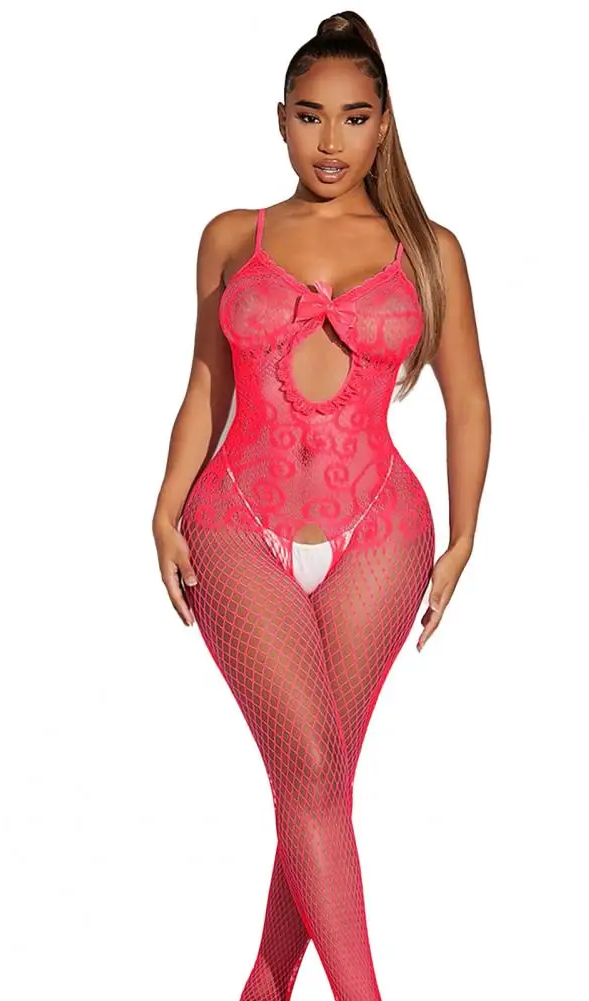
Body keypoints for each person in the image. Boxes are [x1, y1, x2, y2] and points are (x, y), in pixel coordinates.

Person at [152, 11, 490, 999]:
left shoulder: (429, 249)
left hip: (380, 530)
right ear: (279, 120)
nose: (330, 141)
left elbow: (468, 397)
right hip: (233, 521)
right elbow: (205, 384)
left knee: (317, 781)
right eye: (309, 116)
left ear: (384, 124)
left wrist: (465, 534)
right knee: (309, 765)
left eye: (352, 117)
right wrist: (164, 504)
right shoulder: (232, 236)